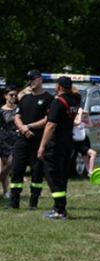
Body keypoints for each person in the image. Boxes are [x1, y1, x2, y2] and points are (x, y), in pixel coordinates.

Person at [6, 70, 53, 210]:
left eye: (32, 79)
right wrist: (23, 128)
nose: (30, 82)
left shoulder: (48, 98)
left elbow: (48, 119)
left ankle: (33, 202)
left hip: (38, 139)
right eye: (28, 80)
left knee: (37, 171)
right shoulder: (25, 98)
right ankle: (14, 202)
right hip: (22, 139)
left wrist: (30, 126)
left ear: (40, 80)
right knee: (16, 169)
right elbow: (17, 116)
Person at [37, 76, 80, 220]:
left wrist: (42, 145)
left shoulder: (57, 102)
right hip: (68, 142)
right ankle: (59, 207)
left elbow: (50, 125)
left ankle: (59, 210)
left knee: (53, 176)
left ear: (58, 87)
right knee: (62, 176)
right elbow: (76, 91)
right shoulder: (75, 100)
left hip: (55, 145)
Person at [0, 88, 19, 199]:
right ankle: (6, 192)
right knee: (5, 166)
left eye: (15, 95)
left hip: (16, 139)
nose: (13, 97)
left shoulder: (19, 109)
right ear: (5, 96)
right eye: (11, 95)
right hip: (3, 139)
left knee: (11, 164)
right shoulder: (1, 111)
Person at [73, 105, 96, 177]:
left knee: (85, 158)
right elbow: (78, 122)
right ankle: (91, 171)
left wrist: (87, 116)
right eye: (78, 114)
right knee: (93, 153)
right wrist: (80, 112)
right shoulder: (73, 122)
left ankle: (89, 172)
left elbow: (90, 125)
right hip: (76, 142)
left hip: (83, 142)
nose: (80, 116)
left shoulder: (82, 123)